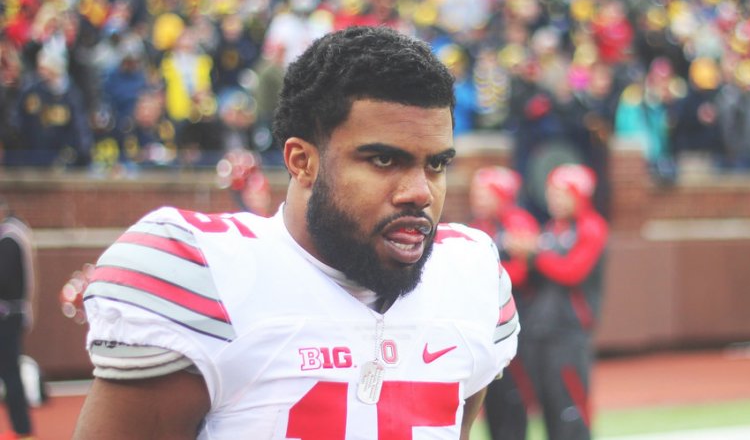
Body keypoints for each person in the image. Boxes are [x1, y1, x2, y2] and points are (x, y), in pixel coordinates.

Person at [73, 26, 519, 440]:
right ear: (302, 161)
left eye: (436, 164)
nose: (419, 193)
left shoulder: (471, 276)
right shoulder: (207, 275)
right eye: (384, 160)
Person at [514, 164, 609, 440]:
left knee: (572, 408)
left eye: (562, 193)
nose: (554, 199)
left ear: (580, 195)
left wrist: (533, 253)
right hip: (540, 330)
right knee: (548, 408)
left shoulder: (592, 227)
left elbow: (572, 271)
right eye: (552, 193)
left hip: (569, 332)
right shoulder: (551, 229)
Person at [468, 166, 539, 440]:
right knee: (490, 395)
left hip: (517, 322)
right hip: (486, 323)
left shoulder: (518, 222)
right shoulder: (479, 226)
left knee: (513, 395)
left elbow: (520, 274)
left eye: (485, 194)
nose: (478, 199)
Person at [0, 197, 36, 440]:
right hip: (10, 315)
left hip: (7, 318)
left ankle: (23, 429)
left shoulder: (10, 238)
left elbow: (4, 280)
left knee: (10, 373)